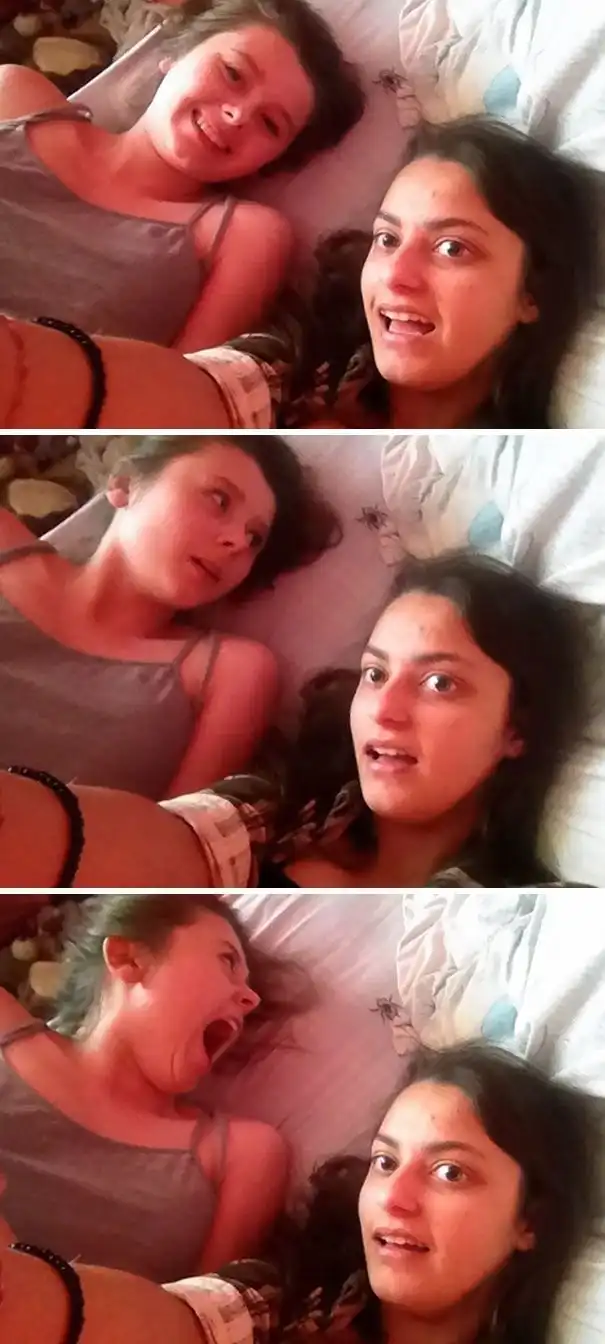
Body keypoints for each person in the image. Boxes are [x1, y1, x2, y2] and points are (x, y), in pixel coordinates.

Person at [0, 550, 592, 888]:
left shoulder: (537, 905)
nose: (384, 711)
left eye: (440, 683)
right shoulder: (275, 814)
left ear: (516, 730)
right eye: (375, 673)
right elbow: (172, 837)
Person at [0, 1042, 599, 1344]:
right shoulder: (290, 1301)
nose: (394, 1197)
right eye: (385, 1161)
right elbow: (189, 1320)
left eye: (450, 1173)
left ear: (531, 1221)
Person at [0, 0, 364, 350]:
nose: (237, 115)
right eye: (232, 73)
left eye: (270, 123)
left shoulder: (240, 236)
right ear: (175, 54)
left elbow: (180, 385)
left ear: (274, 160)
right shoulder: (15, 95)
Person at [0, 434, 339, 796]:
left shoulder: (229, 672)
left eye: (255, 537)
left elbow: (174, 828)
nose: (238, 543)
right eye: (219, 500)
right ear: (125, 484)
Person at [0, 892, 309, 1282]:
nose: (251, 999)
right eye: (227, 960)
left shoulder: (241, 1154)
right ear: (128, 959)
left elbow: (201, 1313)